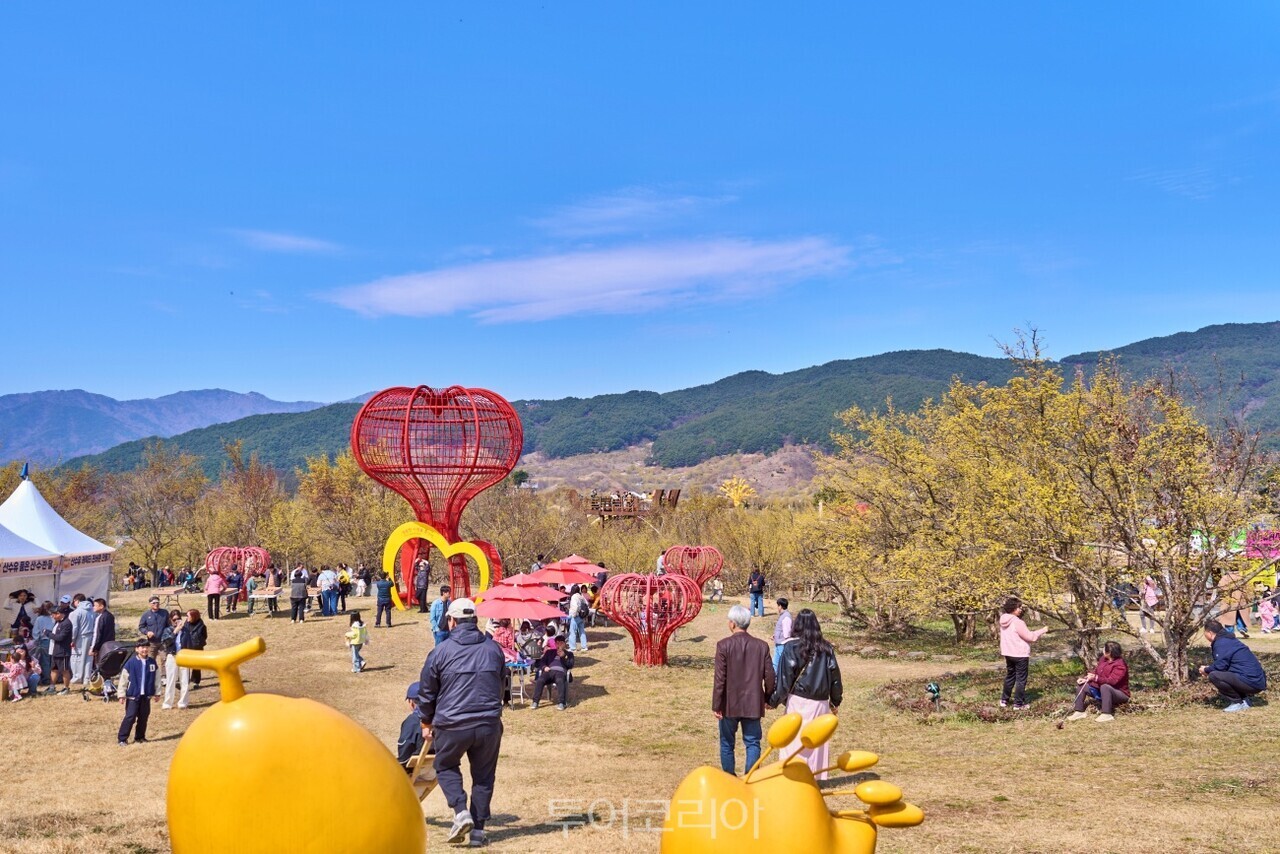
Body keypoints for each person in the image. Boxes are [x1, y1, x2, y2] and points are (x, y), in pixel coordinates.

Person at [416, 598, 506, 847]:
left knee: (445, 767)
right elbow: (501, 684)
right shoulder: (493, 649)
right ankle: (477, 832)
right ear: (474, 620)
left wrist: (426, 722)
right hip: (488, 723)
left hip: (452, 724)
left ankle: (460, 811)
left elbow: (426, 693)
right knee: (484, 777)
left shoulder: (440, 652)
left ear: (451, 621)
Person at [767, 609, 842, 775]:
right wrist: (835, 701)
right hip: (820, 702)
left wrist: (772, 701)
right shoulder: (827, 648)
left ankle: (793, 773)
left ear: (797, 625)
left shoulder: (790, 647)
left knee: (794, 740)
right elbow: (835, 676)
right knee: (817, 741)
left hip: (798, 700)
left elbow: (785, 680)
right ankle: (816, 776)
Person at [712, 604, 776, 776]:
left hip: (729, 704)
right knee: (753, 742)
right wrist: (768, 698)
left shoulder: (723, 645)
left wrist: (716, 705)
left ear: (732, 623)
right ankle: (751, 776)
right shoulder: (761, 646)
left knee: (727, 743)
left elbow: (720, 679)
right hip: (753, 703)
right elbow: (770, 676)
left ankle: (729, 778)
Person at [1199, 618, 1267, 711]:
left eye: (1205, 632)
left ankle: (1237, 702)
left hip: (1251, 682)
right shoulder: (1229, 639)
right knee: (1228, 672)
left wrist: (1206, 669)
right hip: (1258, 682)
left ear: (1210, 633)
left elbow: (1220, 666)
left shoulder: (1221, 643)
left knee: (1214, 675)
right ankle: (1244, 701)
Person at [999, 597, 1048, 710]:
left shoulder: (1003, 620)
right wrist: (1043, 630)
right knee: (1021, 679)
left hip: (1008, 653)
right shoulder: (1017, 622)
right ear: (1013, 608)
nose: (1020, 610)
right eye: (1019, 607)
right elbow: (1030, 637)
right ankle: (1018, 704)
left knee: (1010, 676)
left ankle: (1004, 700)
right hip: (1020, 654)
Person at [1066, 640, 1130, 722]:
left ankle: (1107, 714)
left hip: (1119, 693)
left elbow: (1112, 681)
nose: (1102, 649)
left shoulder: (1120, 665)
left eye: (1104, 648)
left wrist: (1096, 678)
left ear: (1109, 652)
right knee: (1082, 685)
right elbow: (1096, 671)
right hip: (1101, 689)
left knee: (1105, 686)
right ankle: (1079, 711)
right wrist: (1086, 679)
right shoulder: (1103, 659)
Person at [117, 639, 159, 745]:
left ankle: (140, 737)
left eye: (146, 647)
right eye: (142, 647)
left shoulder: (152, 663)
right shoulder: (131, 663)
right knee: (130, 717)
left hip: (146, 696)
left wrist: (157, 692)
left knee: (143, 717)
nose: (145, 649)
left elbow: (157, 679)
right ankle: (122, 738)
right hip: (133, 696)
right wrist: (121, 694)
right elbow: (123, 680)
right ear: (137, 649)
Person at [531, 634, 574, 710]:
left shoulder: (569, 654)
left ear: (564, 644)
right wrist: (544, 667)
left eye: (561, 643)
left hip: (561, 672)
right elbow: (542, 662)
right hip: (549, 671)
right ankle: (535, 702)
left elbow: (570, 665)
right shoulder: (550, 652)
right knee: (540, 680)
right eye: (557, 643)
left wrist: (563, 656)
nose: (559, 645)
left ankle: (561, 702)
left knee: (560, 681)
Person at [160, 610, 190, 709]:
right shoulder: (167, 630)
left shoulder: (186, 630)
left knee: (185, 680)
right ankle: (167, 703)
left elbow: (190, 643)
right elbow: (166, 643)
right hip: (172, 656)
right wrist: (175, 632)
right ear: (170, 620)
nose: (176, 621)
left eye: (178, 619)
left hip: (184, 656)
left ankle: (183, 702)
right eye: (174, 619)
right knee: (171, 680)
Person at [398, 681, 427, 768]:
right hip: (435, 770)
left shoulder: (412, 721)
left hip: (414, 769)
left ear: (412, 702)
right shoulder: (440, 717)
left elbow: (405, 751)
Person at [68, 593, 95, 685]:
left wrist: (72, 640)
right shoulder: (92, 611)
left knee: (77, 656)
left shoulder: (76, 612)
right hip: (90, 636)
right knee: (88, 657)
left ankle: (77, 677)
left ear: (77, 601)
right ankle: (86, 678)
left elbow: (74, 628)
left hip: (80, 636)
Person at [1217, 570, 1251, 638]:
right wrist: (1248, 598)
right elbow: (1247, 590)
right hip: (1240, 600)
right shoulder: (1241, 577)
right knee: (1240, 615)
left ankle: (1230, 632)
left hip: (1228, 601)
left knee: (1229, 617)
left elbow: (1220, 589)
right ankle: (1241, 628)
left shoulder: (1225, 578)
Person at [47, 607, 73, 695]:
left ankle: (66, 688)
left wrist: (48, 634)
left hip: (63, 651)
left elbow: (60, 637)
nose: (52, 616)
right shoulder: (57, 622)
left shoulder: (67, 623)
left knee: (64, 670)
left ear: (58, 613)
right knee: (54, 669)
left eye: (53, 614)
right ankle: (52, 687)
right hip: (55, 650)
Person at [178, 610, 207, 689]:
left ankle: (196, 681)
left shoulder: (202, 626)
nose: (186, 617)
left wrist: (197, 643)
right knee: (185, 666)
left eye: (188, 616)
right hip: (186, 647)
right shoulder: (186, 624)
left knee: (196, 666)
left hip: (197, 648)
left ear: (193, 617)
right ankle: (184, 682)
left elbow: (204, 636)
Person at [89, 598, 116, 666]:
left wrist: (94, 648)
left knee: (99, 665)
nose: (93, 607)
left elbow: (97, 634)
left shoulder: (100, 618)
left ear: (101, 606)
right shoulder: (110, 615)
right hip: (109, 644)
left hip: (101, 646)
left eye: (95, 605)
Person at [32, 604, 54, 687]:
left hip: (44, 641)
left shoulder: (39, 619)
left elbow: (35, 632)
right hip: (54, 640)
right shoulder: (53, 618)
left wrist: (37, 641)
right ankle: (55, 678)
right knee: (53, 661)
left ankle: (46, 679)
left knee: (45, 662)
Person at [772, 597, 793, 673]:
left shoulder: (786, 617)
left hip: (782, 644)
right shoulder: (783, 615)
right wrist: (775, 636)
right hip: (779, 643)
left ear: (780, 606)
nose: (777, 608)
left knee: (782, 664)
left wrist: (781, 638)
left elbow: (787, 633)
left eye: (778, 606)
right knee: (775, 663)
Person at [567, 585, 589, 653]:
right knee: (582, 631)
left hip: (575, 616)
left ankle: (572, 648)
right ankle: (584, 646)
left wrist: (573, 615)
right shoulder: (581, 596)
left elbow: (575, 607)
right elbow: (586, 603)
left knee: (572, 632)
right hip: (581, 616)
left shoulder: (574, 597)